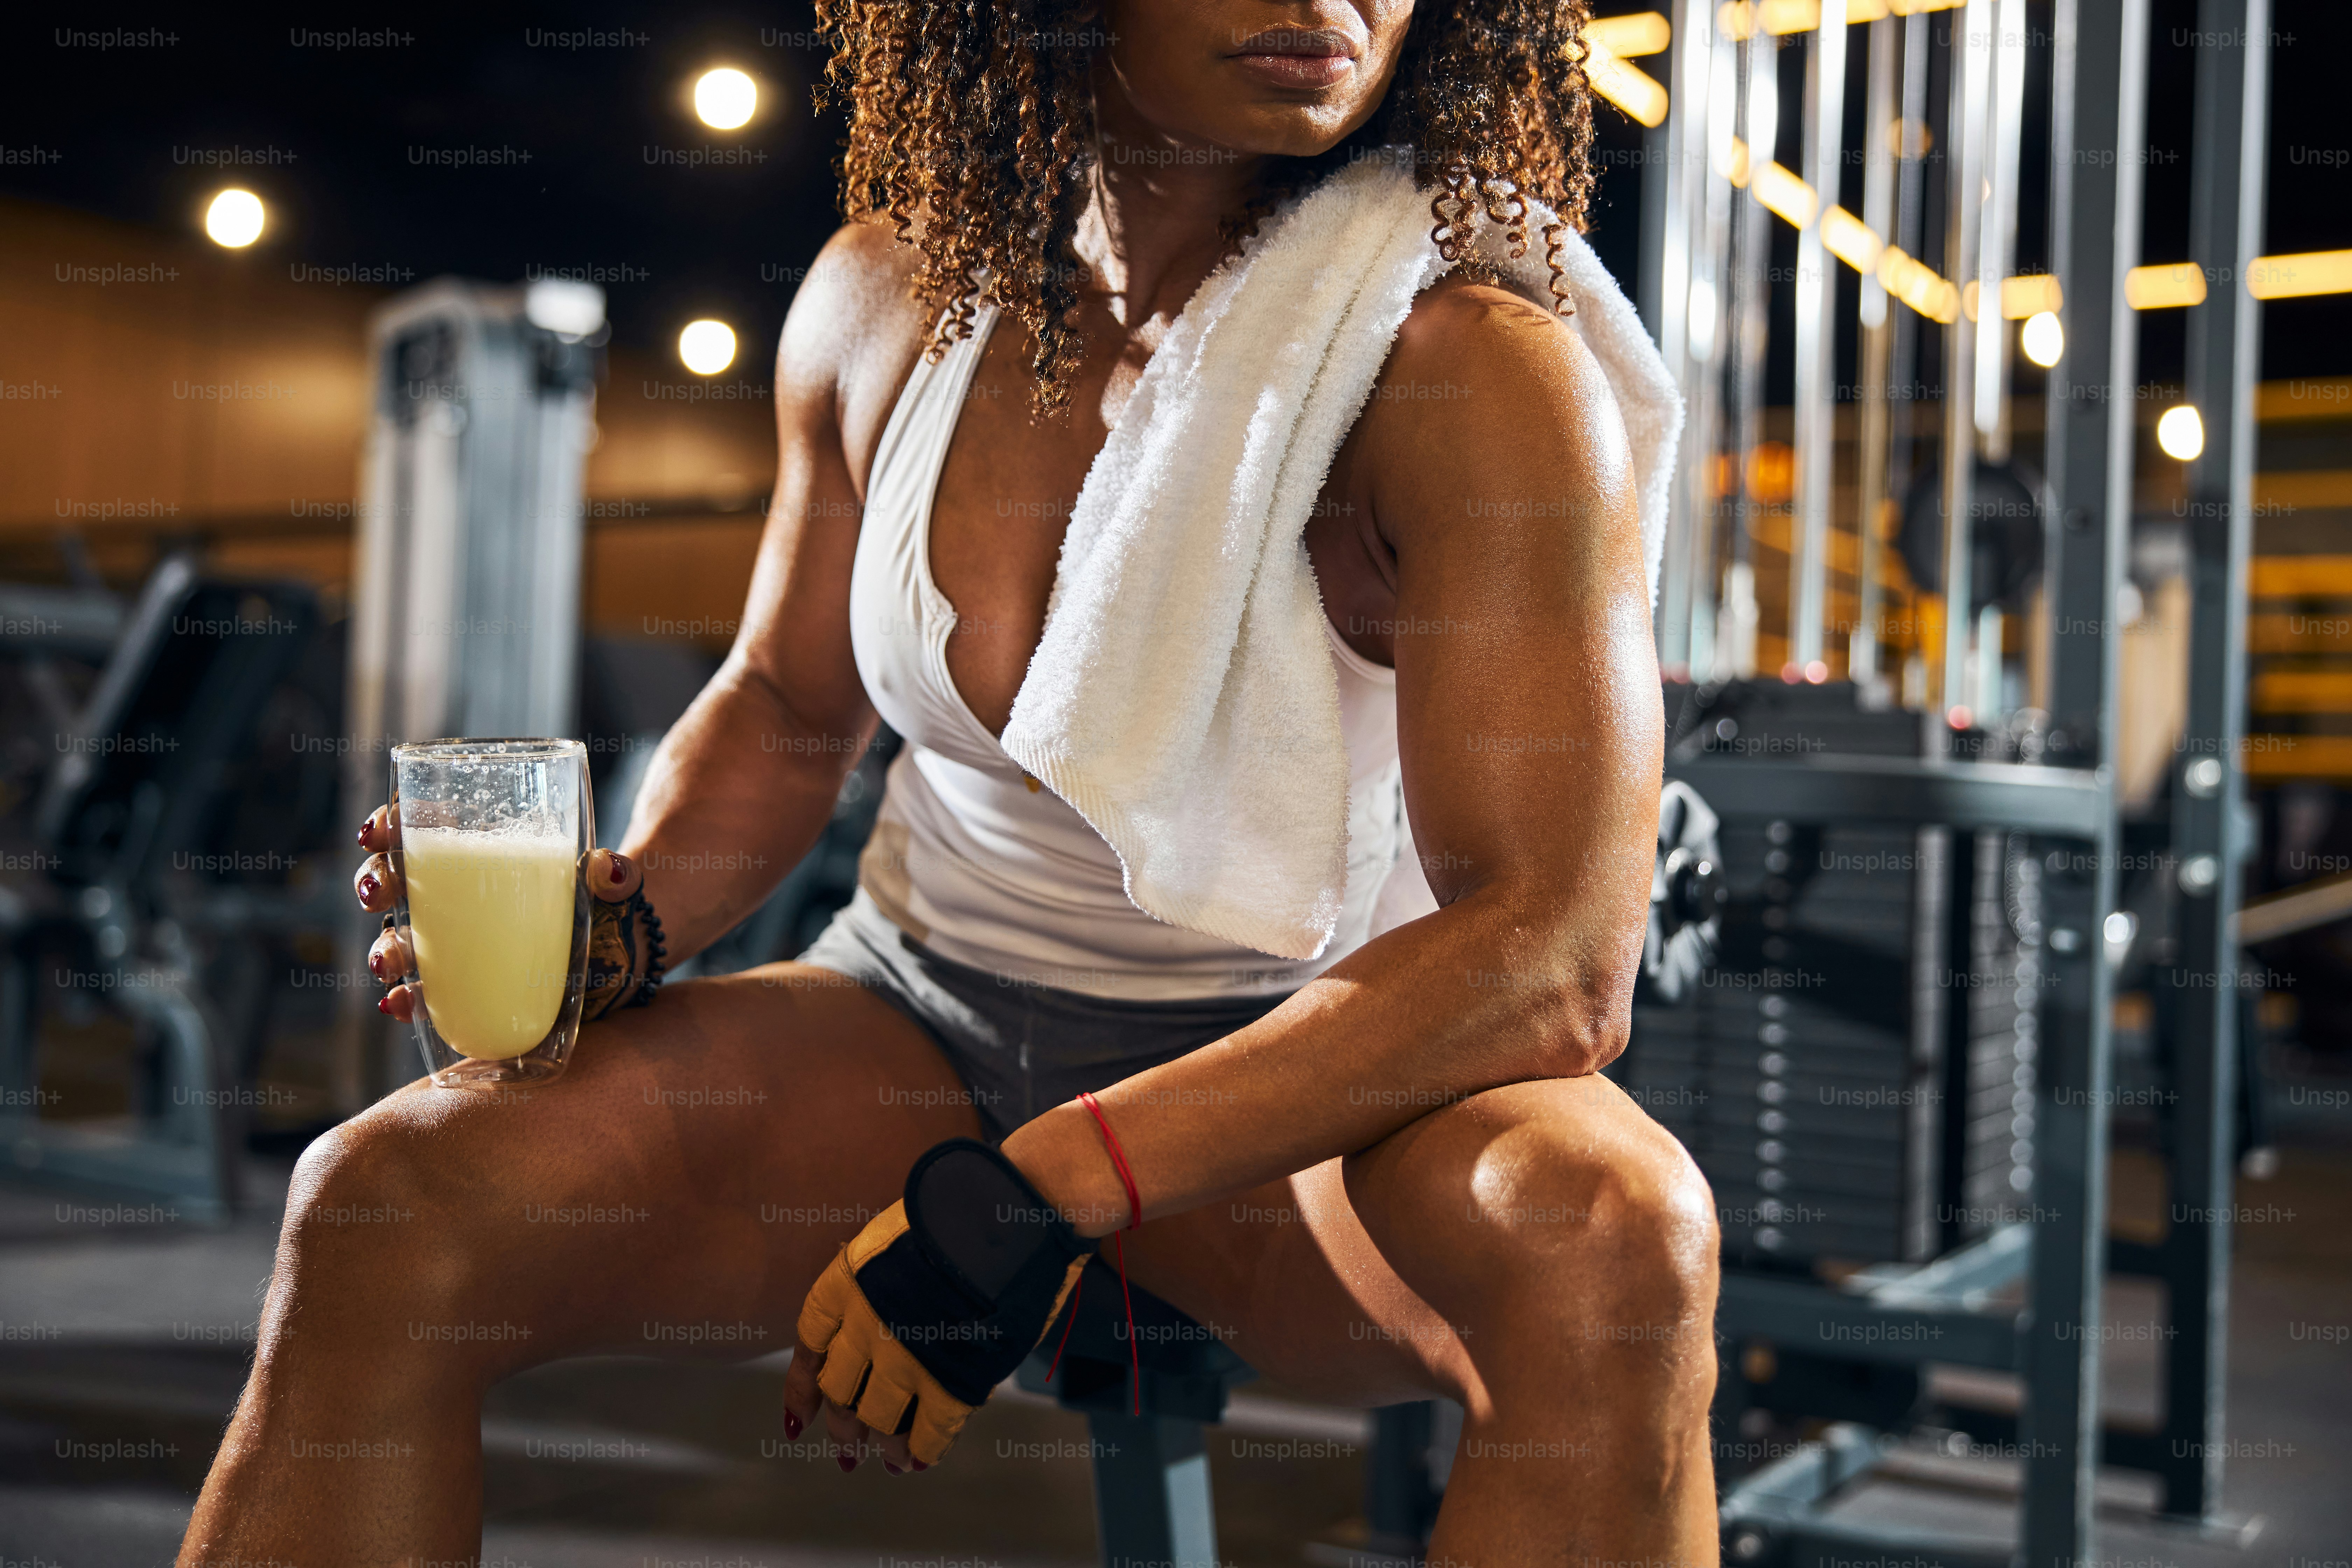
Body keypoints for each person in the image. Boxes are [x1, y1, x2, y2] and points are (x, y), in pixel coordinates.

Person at [180, 2, 1719, 1561]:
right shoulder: (886, 298)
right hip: (920, 1023)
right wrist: (627, 923)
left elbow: (1553, 957)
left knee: (1620, 1250)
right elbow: (787, 703)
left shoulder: (1473, 372)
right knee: (383, 1204)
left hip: (1296, 1097)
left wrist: (1053, 1182)